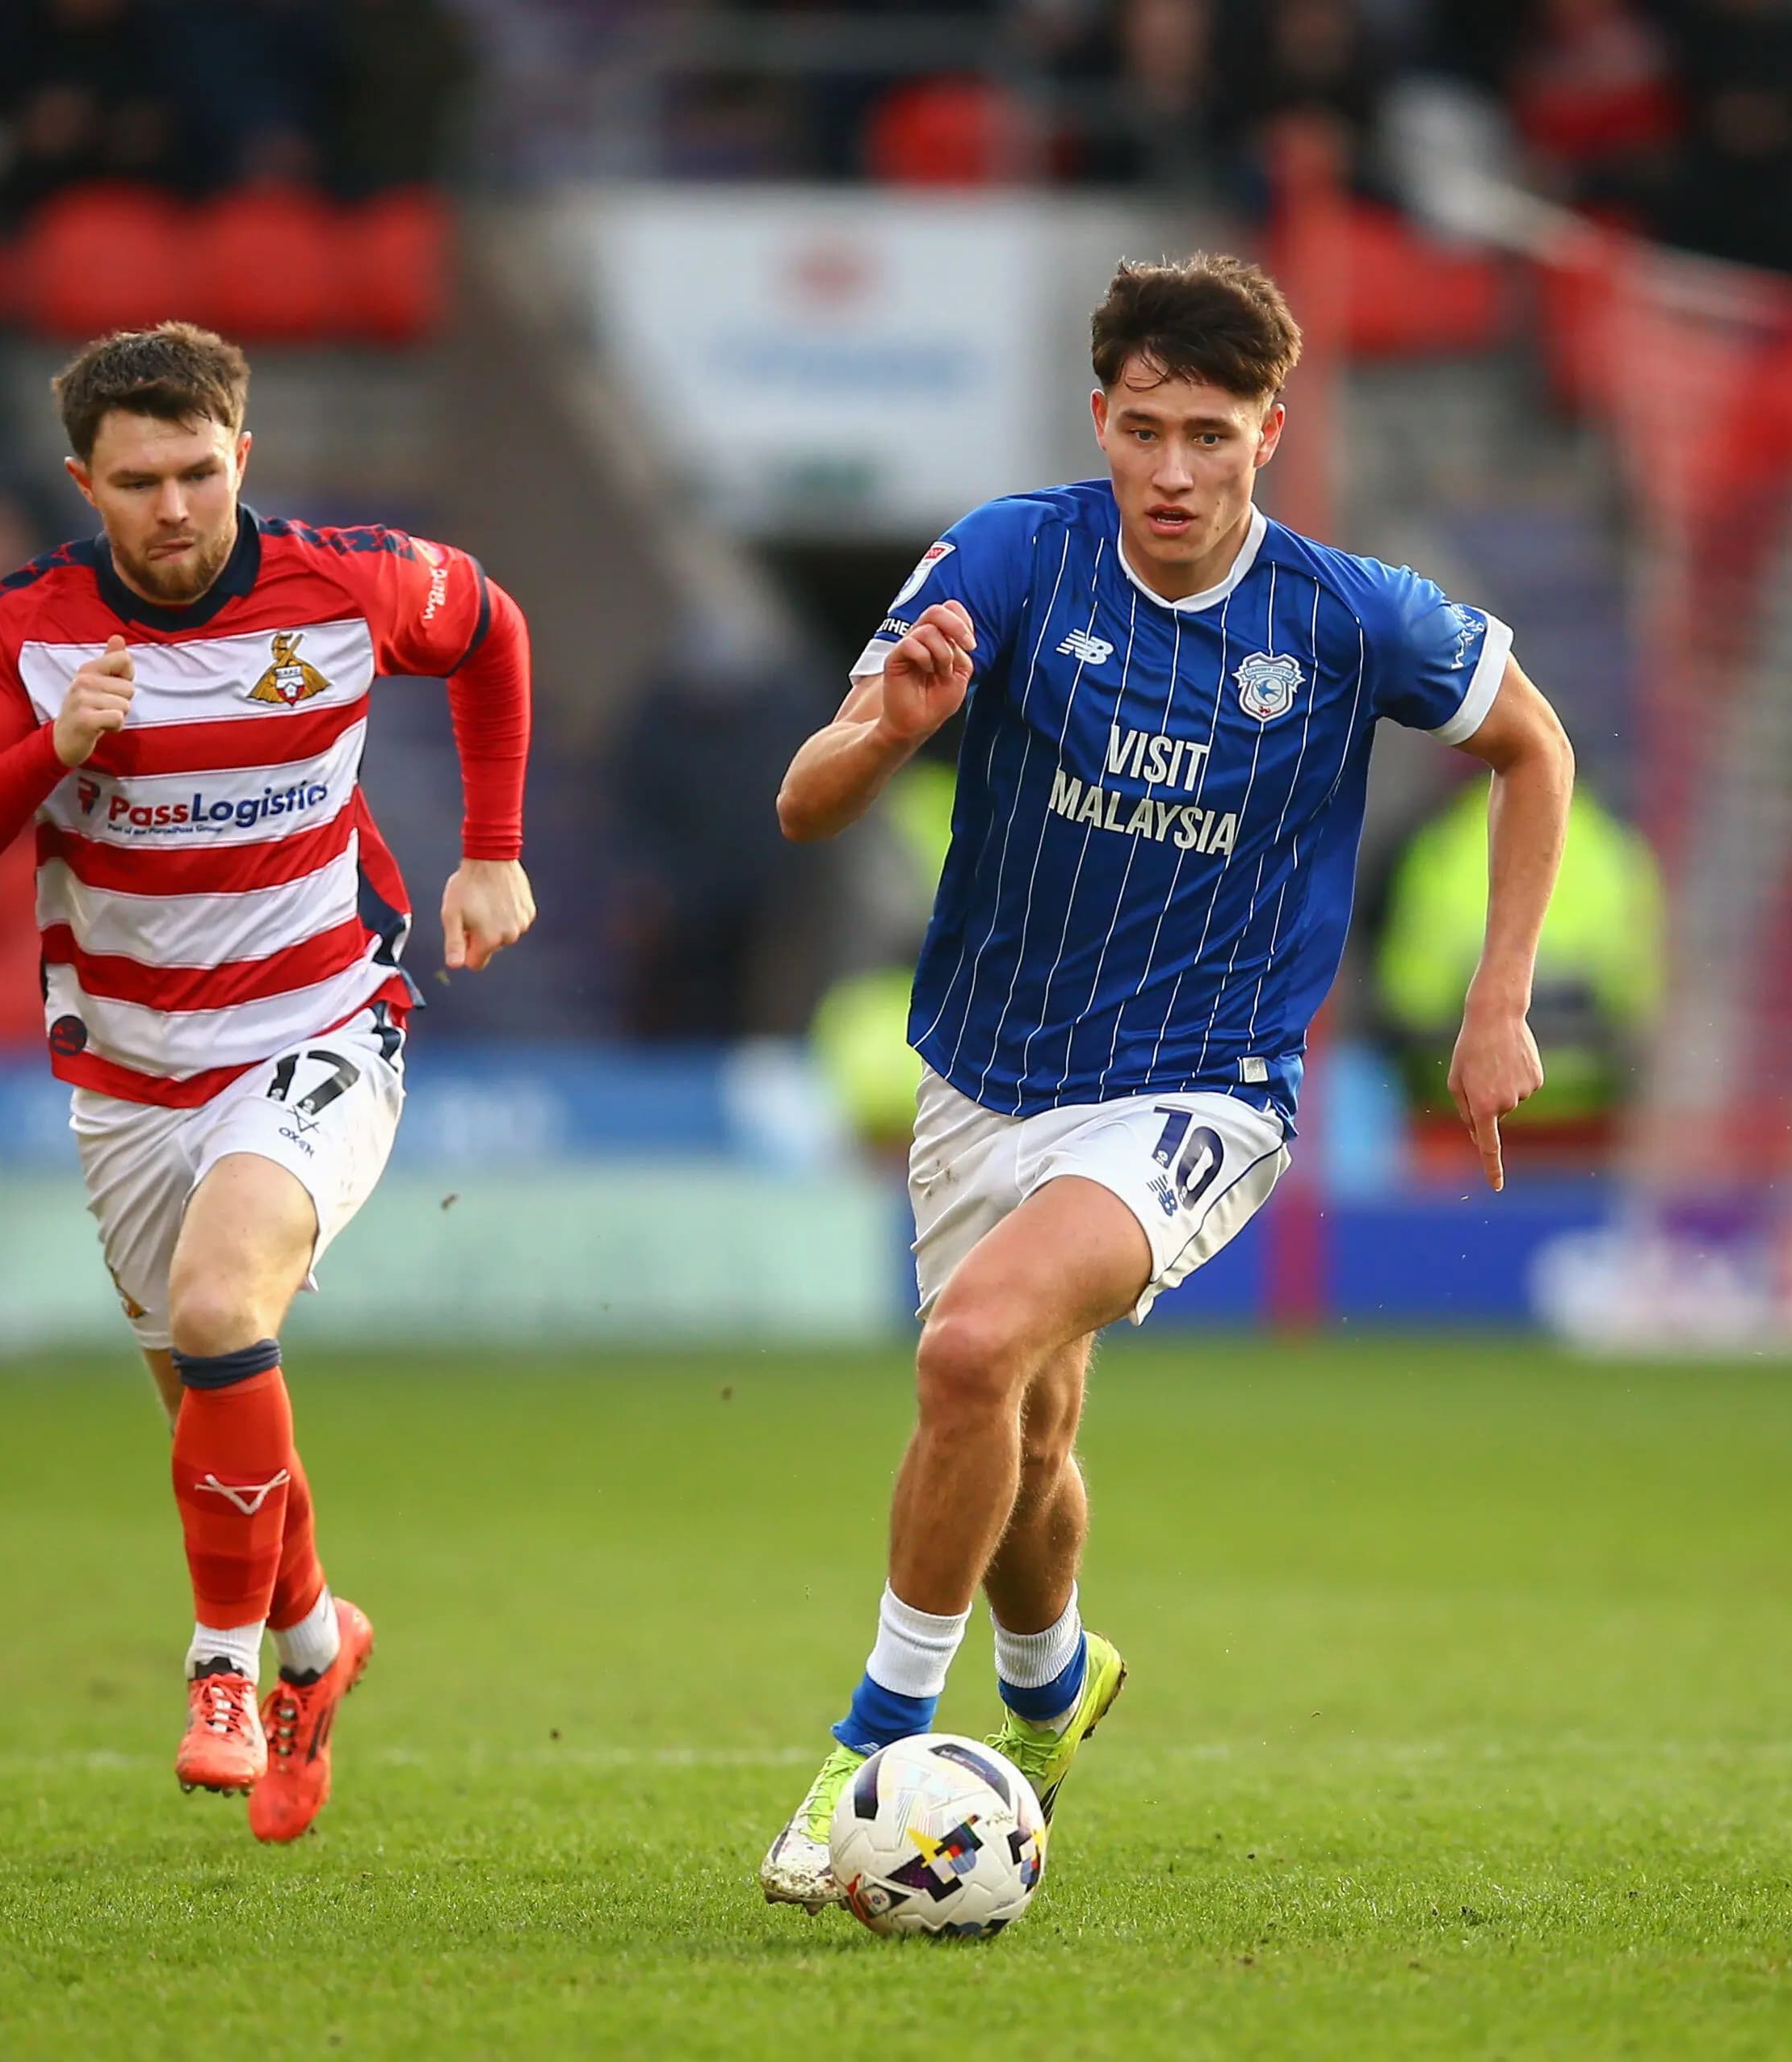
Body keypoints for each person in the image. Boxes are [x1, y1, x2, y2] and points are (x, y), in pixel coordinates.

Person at [757, 254, 1572, 1908]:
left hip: (1207, 1084)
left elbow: (1532, 745)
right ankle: (1054, 1686)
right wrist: (890, 730)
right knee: (1025, 1429)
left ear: (1273, 429)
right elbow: (804, 801)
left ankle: (865, 1748)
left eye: (1212, 433)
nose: (1176, 472)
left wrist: (1499, 996)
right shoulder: (1007, 555)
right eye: (1144, 430)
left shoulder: (1345, 614)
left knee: (968, 1346)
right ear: (1099, 421)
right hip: (987, 1073)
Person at [0, 322, 536, 1842]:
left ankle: (224, 1670)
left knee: (216, 1309)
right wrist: (52, 746)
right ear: (84, 484)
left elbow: (491, 629)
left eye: (196, 471)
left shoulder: (347, 582)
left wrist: (493, 849)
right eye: (137, 482)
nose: (173, 507)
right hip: (129, 1072)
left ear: (241, 456)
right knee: (209, 1395)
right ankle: (317, 1641)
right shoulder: (30, 635)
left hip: (322, 1020)